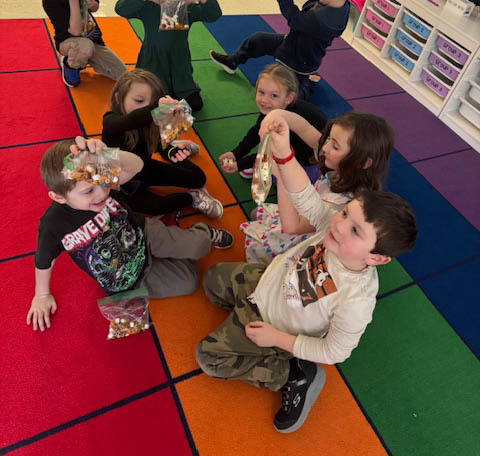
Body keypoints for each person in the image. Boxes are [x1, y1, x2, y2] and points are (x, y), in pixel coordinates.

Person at [196, 115, 417, 434]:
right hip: (268, 285)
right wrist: (284, 152)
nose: (339, 225)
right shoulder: (334, 225)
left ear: (377, 258)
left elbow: (336, 351)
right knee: (212, 280)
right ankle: (252, 324)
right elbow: (306, 199)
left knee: (209, 358)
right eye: (344, 214)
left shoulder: (355, 298)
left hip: (280, 325)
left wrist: (278, 339)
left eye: (354, 230)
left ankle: (291, 374)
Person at [26, 136, 234, 332]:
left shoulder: (101, 180)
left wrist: (105, 156)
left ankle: (203, 233)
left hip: (146, 235)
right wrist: (42, 295)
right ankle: (172, 248)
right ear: (59, 197)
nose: (102, 192)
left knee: (198, 246)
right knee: (190, 280)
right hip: (131, 278)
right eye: (88, 191)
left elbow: (137, 165)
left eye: (103, 182)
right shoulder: (53, 224)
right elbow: (44, 260)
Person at [209, 0, 362, 100]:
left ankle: (308, 86)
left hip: (299, 60)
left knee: (285, 92)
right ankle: (233, 61)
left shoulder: (324, 19)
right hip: (292, 42)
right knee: (258, 39)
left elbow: (295, 20)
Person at [243, 110, 394, 264]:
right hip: (301, 211)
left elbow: (292, 227)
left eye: (335, 146)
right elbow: (304, 128)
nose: (325, 147)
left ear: (362, 162)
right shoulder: (341, 162)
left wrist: (282, 175)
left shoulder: (341, 204)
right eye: (328, 139)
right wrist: (277, 115)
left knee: (258, 245)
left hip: (299, 234)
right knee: (260, 214)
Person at [102, 68, 224, 219]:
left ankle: (174, 144)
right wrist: (155, 108)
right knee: (156, 207)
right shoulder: (110, 121)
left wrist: (170, 151)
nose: (145, 106)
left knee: (199, 178)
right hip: (123, 184)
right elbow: (131, 120)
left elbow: (158, 144)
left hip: (145, 169)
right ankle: (193, 198)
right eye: (139, 101)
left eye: (151, 102)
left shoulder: (150, 121)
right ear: (118, 97)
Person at [115, 0, 222, 112]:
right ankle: (161, 101)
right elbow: (120, 9)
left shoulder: (188, 8)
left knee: (196, 104)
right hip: (152, 65)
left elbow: (214, 15)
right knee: (146, 101)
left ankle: (168, 103)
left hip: (179, 68)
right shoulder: (148, 6)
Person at [219, 64, 327, 180]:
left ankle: (313, 177)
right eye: (261, 92)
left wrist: (240, 165)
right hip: (298, 148)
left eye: (274, 95)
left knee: (284, 182)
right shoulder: (274, 108)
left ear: (288, 98)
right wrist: (236, 153)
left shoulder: (286, 122)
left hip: (310, 160)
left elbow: (272, 154)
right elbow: (256, 131)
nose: (264, 100)